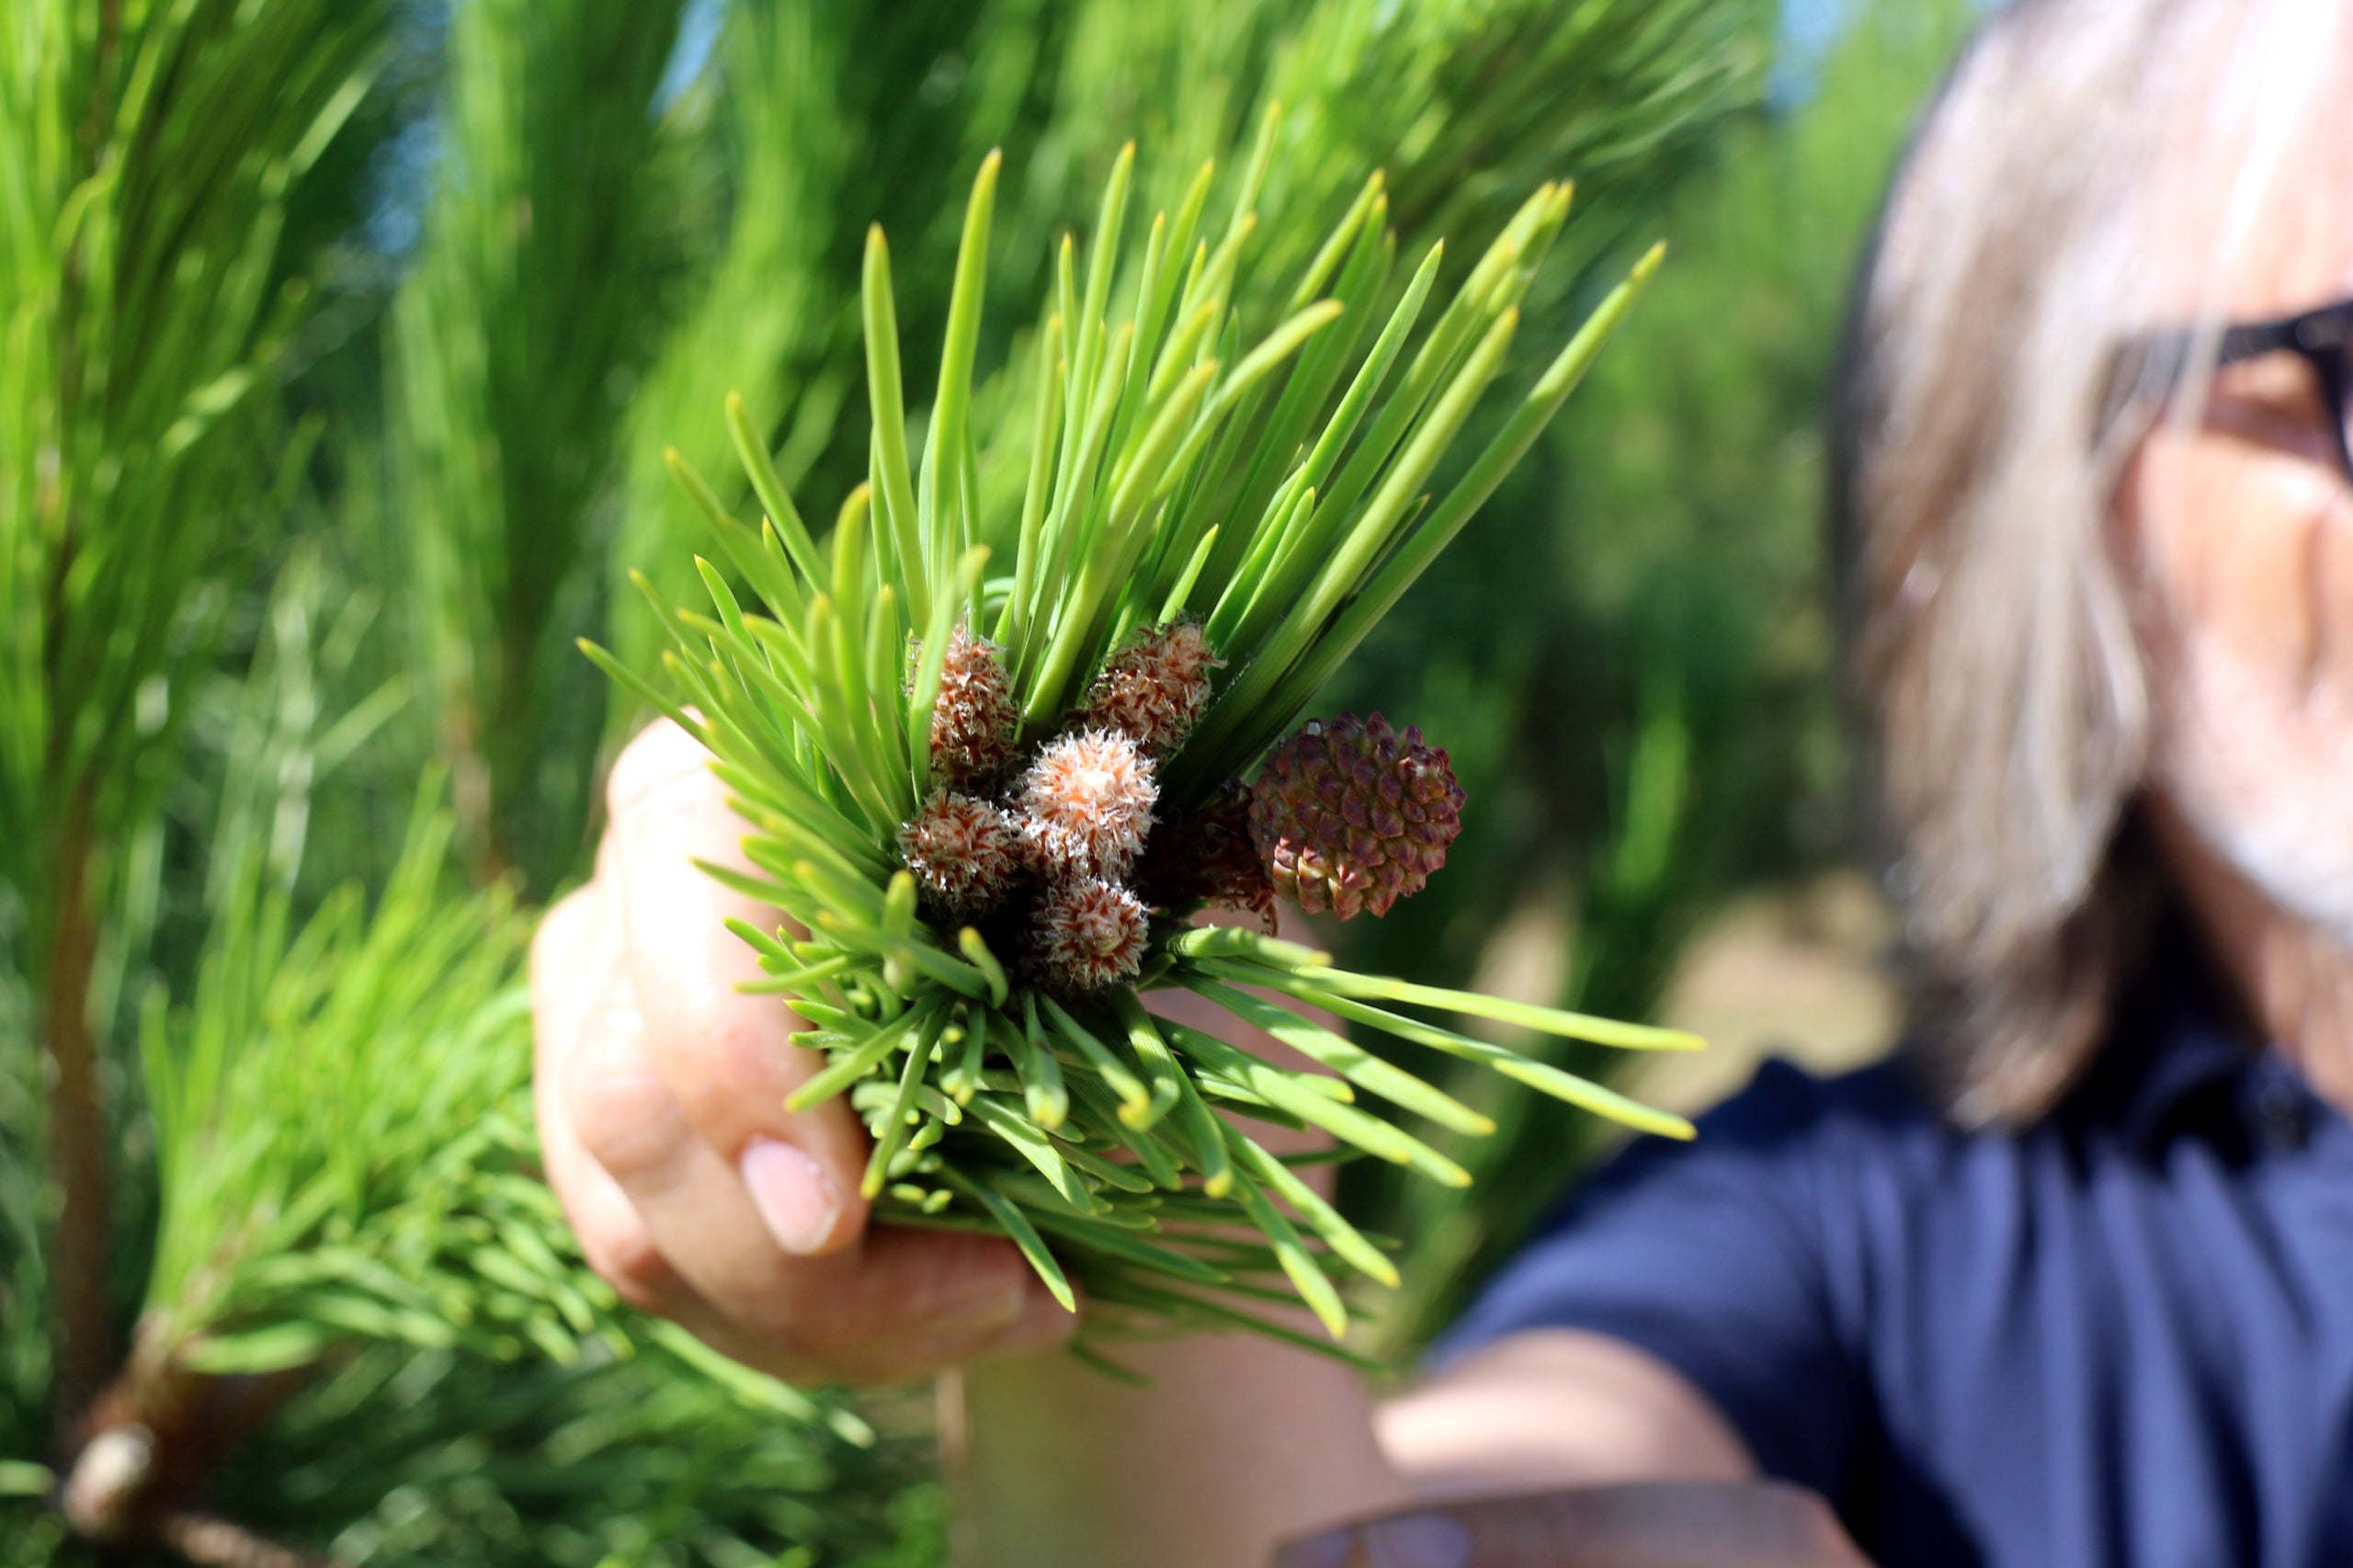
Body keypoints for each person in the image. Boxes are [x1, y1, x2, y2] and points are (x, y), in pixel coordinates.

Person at [529, 0, 2353, 1561]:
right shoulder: (1851, 1235)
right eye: (2344, 366)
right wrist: (1106, 1105)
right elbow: (1365, 1513)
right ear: (2051, 478)